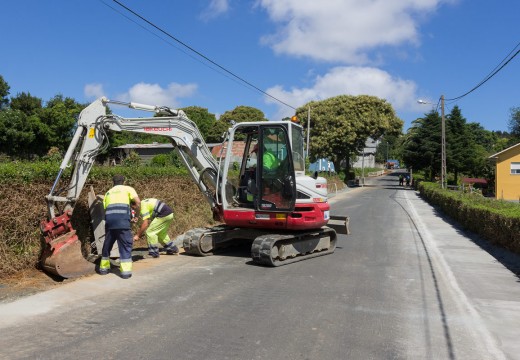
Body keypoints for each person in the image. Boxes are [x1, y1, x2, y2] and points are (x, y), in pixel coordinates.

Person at [99, 175, 140, 279]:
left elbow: (106, 209)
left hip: (110, 222)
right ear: (123, 181)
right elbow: (138, 202)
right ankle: (125, 272)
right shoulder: (128, 189)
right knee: (125, 245)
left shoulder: (108, 192)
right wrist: (135, 214)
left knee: (107, 244)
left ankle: (103, 269)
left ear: (113, 182)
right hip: (123, 222)